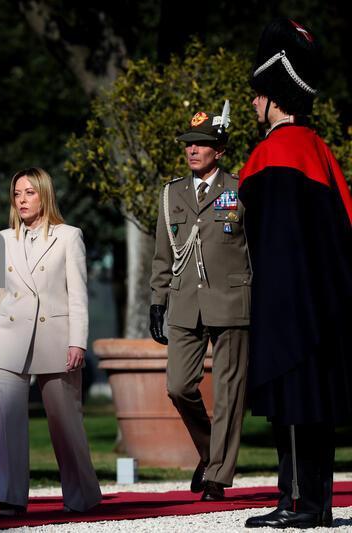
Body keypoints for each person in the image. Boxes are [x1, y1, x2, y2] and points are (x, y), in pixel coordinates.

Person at [239, 18, 352, 529]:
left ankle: (299, 503)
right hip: (326, 304)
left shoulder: (275, 152)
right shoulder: (320, 150)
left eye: (257, 96)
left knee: (293, 399)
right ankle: (315, 502)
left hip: (288, 304)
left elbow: (264, 239)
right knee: (315, 406)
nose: (252, 105)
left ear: (272, 98)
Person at [0, 167, 102, 516]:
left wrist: (78, 341)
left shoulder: (69, 236)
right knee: (7, 425)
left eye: (29, 193)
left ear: (44, 195)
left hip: (56, 338)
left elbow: (78, 295)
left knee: (65, 423)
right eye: (17, 194)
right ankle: (9, 496)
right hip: (8, 338)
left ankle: (81, 496)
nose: (22, 200)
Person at [149, 103, 251, 502]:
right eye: (189, 143)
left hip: (232, 300)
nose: (192, 150)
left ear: (219, 150)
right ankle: (211, 452)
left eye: (202, 144)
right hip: (185, 302)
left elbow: (255, 250)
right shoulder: (171, 193)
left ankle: (217, 477)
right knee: (178, 386)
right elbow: (163, 254)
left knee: (229, 393)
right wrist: (157, 301)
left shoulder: (241, 190)